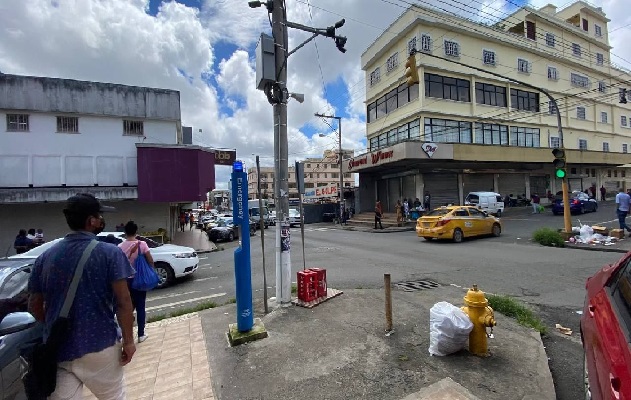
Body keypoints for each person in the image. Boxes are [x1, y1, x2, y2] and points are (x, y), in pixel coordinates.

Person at [27, 193, 136, 399]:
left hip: (59, 350)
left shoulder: (44, 258)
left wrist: (54, 326)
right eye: (99, 215)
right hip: (99, 344)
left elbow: (34, 304)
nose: (102, 219)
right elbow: (124, 302)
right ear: (91, 221)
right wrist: (129, 341)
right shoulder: (109, 253)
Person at [118, 221, 155, 343]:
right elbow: (150, 260)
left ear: (125, 232)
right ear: (136, 231)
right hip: (139, 280)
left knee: (126, 308)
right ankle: (141, 334)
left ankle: (125, 335)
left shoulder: (120, 247)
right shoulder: (142, 244)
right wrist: (150, 270)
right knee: (140, 307)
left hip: (125, 281)